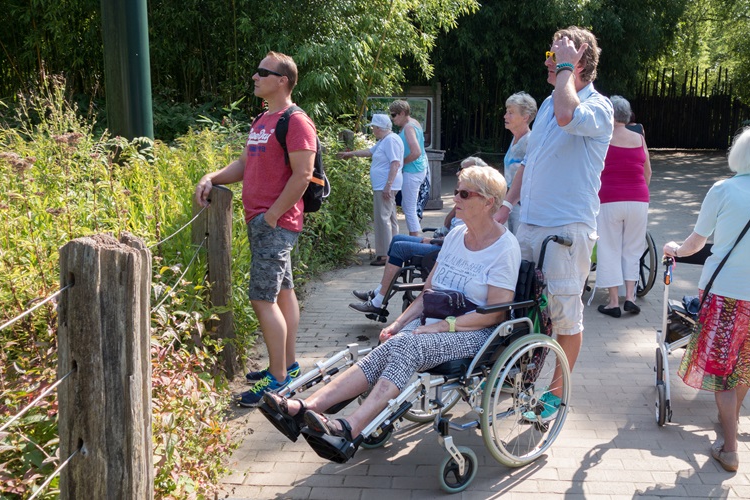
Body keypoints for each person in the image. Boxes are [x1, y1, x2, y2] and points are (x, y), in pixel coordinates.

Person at [263, 166, 521, 456]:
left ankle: (352, 426)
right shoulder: (455, 236)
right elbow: (428, 293)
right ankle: (306, 407)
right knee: (387, 346)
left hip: (473, 331)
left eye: (463, 193)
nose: (455, 198)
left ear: (488, 202)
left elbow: (494, 314)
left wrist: (436, 327)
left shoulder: (504, 248)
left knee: (408, 345)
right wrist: (398, 323)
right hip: (431, 323)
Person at [495, 26, 613, 421]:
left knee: (564, 316)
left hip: (566, 230)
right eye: (551, 52)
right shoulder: (547, 103)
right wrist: (507, 206)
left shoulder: (599, 107)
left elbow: (568, 114)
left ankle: (555, 395)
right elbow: (531, 162)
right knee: (525, 308)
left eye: (557, 53)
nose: (549, 59)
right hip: (529, 224)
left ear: (579, 60)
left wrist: (566, 66)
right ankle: (522, 382)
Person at [663, 126, 750, 472]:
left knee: (722, 365)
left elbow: (695, 242)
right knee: (744, 363)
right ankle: (729, 421)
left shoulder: (723, 189)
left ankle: (731, 446)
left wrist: (674, 249)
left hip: (723, 292)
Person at [194, 52, 315, 407]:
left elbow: (303, 175)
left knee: (261, 298)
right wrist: (211, 176)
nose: (255, 77)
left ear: (283, 80)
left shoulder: (296, 121)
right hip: (264, 222)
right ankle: (288, 367)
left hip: (273, 224)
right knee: (282, 293)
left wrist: (273, 216)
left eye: (263, 72)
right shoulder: (264, 119)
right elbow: (246, 164)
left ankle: (277, 381)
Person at [349, 157, 488, 316]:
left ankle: (379, 301)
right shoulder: (464, 196)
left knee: (400, 247)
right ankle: (379, 292)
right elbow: (450, 222)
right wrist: (455, 207)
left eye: (463, 169)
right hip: (446, 240)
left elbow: (467, 236)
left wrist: (438, 239)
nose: (458, 172)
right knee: (396, 239)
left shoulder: (476, 201)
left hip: (447, 248)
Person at [594, 95, 651, 318]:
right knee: (633, 249)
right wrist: (638, 192)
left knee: (609, 248)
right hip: (638, 199)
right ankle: (630, 297)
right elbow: (648, 172)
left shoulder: (602, 137)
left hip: (609, 198)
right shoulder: (639, 138)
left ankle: (613, 302)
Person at [337, 114, 403, 266]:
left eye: (373, 127)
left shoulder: (390, 140)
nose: (372, 130)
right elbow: (369, 152)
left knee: (383, 219)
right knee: (390, 218)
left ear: (379, 128)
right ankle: (392, 251)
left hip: (385, 186)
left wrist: (388, 185)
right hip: (384, 185)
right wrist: (351, 154)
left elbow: (395, 163)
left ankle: (385, 254)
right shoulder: (384, 140)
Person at [389, 100, 429, 236]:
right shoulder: (413, 123)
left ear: (402, 113)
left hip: (412, 171)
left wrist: (401, 163)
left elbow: (416, 151)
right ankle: (414, 238)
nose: (392, 119)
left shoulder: (408, 127)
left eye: (394, 115)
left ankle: (415, 240)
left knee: (409, 208)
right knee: (408, 207)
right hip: (416, 169)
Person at [503, 92, 538, 233]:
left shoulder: (530, 141)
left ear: (525, 117)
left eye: (511, 113)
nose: (505, 116)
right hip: (511, 203)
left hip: (522, 205)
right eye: (506, 112)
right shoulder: (514, 139)